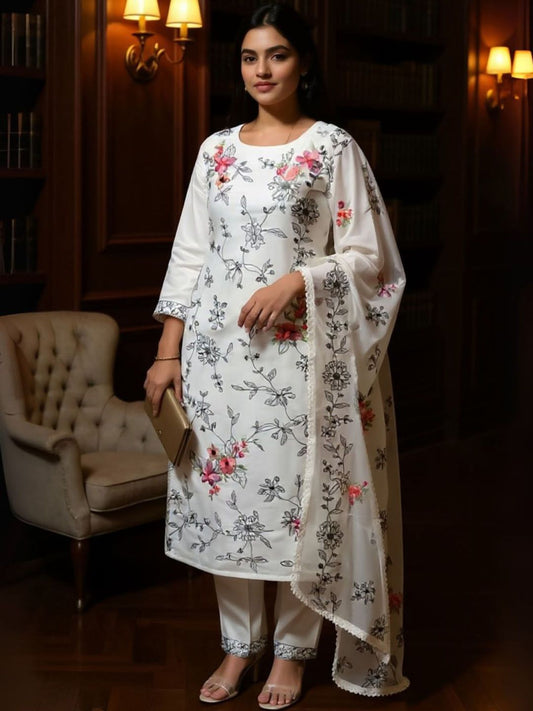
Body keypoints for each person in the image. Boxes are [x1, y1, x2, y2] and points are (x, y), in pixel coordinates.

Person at [144, 3, 409, 707]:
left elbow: (371, 258)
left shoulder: (331, 148)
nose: (261, 70)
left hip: (298, 361)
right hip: (215, 360)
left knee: (296, 507)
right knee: (225, 503)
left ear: (304, 63)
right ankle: (238, 647)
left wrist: (299, 279)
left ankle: (291, 653)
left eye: (277, 55)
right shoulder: (216, 151)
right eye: (249, 57)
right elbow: (190, 254)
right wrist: (168, 353)